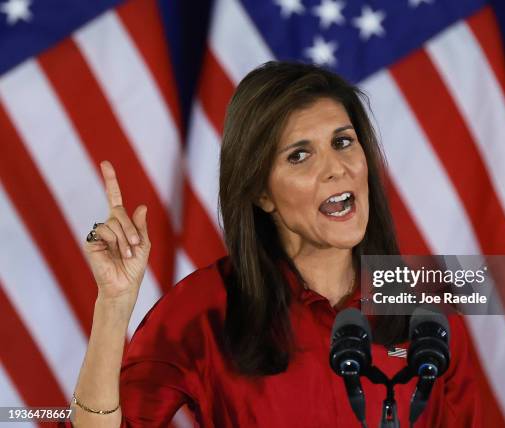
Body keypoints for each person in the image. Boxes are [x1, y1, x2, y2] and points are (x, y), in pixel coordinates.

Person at [69, 61, 481, 427]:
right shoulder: (203, 310)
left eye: (342, 142)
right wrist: (113, 307)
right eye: (299, 156)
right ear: (261, 193)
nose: (336, 169)